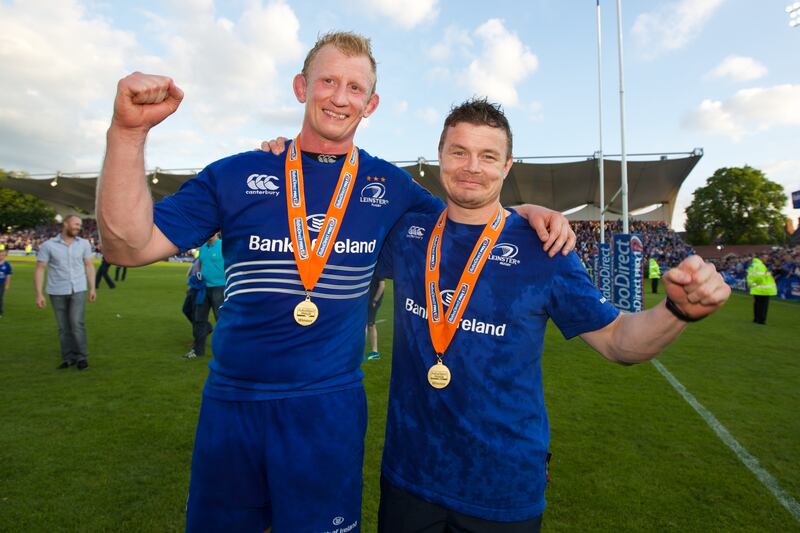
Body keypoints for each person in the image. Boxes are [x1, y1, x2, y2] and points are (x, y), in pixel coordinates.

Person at [96, 31, 575, 532]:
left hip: (328, 410)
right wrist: (127, 135)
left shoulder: (389, 187)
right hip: (233, 405)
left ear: (371, 104)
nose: (340, 97)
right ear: (302, 87)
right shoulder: (238, 175)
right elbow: (126, 246)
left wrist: (525, 211)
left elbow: (468, 221)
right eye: (328, 81)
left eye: (354, 87)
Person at [373, 99, 731, 531]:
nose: (472, 167)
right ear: (440, 156)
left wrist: (676, 310)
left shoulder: (546, 248)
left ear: (507, 168)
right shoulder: (408, 234)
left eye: (488, 156)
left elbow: (618, 340)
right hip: (409, 479)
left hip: (503, 489)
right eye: (459, 152)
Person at [34, 215, 96, 370]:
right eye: (75, 224)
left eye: (80, 225)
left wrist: (92, 287)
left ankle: (82, 357)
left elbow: (89, 265)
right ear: (66, 224)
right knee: (63, 327)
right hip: (57, 290)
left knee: (76, 323)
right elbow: (40, 269)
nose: (78, 227)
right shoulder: (48, 245)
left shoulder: (83, 244)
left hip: (78, 289)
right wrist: (39, 293)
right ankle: (68, 357)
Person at [185, 233, 224, 359]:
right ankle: (197, 351)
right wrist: (199, 277)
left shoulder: (224, 245)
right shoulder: (202, 247)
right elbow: (201, 264)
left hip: (220, 287)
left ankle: (226, 352)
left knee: (222, 320)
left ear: (217, 232)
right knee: (199, 319)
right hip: (203, 288)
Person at [747, 254, 776, 325]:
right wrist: (769, 274)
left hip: (756, 288)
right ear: (761, 258)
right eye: (765, 257)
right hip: (763, 288)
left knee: (757, 304)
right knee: (763, 305)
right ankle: (761, 320)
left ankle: (756, 318)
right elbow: (760, 277)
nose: (767, 259)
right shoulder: (760, 266)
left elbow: (752, 276)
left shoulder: (753, 265)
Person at [364, 274, 385, 361]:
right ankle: (374, 352)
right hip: (367, 300)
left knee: (369, 324)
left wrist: (375, 300)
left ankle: (374, 352)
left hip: (372, 301)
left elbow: (382, 286)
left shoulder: (379, 269)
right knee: (369, 324)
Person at [0, 248, 12, 318]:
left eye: (2, 255)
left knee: (0, 297)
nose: (0, 257)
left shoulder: (7, 264)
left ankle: (0, 312)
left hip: (1, 284)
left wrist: (7, 284)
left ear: (4, 256)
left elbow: (8, 275)